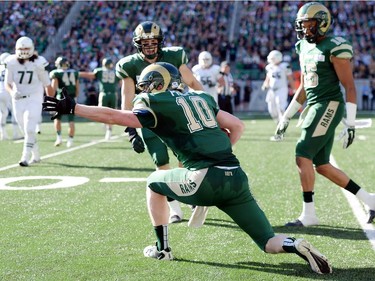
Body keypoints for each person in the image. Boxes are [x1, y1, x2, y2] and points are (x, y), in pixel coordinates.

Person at [43, 62, 332, 274]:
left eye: (147, 84)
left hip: (203, 178)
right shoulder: (202, 97)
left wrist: (75, 108)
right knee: (268, 241)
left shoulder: (157, 101)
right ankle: (295, 244)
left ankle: (162, 249)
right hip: (235, 177)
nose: (144, 90)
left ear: (157, 83)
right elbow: (236, 125)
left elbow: (118, 117)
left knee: (154, 181)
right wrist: (218, 155)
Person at [274, 2, 375, 226]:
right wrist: (286, 115)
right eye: (302, 25)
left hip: (328, 104)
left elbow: (349, 86)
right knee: (322, 166)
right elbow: (304, 87)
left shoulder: (335, 47)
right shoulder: (303, 46)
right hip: (315, 104)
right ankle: (370, 200)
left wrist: (350, 122)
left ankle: (309, 215)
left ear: (322, 23)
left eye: (309, 25)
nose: (304, 30)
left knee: (302, 154)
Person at [115, 21, 204, 224]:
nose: (149, 46)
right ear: (137, 44)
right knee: (162, 164)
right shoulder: (130, 65)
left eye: (153, 41)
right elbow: (127, 98)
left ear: (160, 41)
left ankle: (187, 193)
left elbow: (192, 82)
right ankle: (174, 209)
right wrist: (130, 129)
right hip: (149, 118)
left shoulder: (173, 56)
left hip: (176, 115)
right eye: (144, 42)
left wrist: (206, 103)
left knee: (185, 160)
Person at [4, 36, 54, 166]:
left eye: (26, 48)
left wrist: (51, 103)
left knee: (30, 128)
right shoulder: (11, 62)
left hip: (34, 97)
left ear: (32, 48)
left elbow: (47, 84)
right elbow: (7, 83)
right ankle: (36, 154)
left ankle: (24, 157)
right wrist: (12, 92)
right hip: (18, 99)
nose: (24, 51)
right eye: (21, 48)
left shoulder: (38, 62)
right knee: (26, 130)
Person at [80, 57, 120, 140]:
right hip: (113, 94)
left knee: (102, 111)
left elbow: (91, 76)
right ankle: (109, 129)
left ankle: (106, 126)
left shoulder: (100, 71)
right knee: (111, 113)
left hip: (104, 94)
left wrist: (79, 74)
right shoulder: (116, 72)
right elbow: (121, 83)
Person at [49, 56, 80, 148]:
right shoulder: (74, 72)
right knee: (71, 121)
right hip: (71, 98)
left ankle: (59, 137)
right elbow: (77, 87)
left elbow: (54, 88)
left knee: (57, 119)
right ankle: (70, 140)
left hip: (60, 98)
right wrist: (76, 97)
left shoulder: (56, 73)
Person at [261, 50, 295, 126]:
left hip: (282, 89)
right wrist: (265, 84)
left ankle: (282, 125)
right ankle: (278, 123)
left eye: (273, 58)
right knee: (271, 110)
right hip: (271, 90)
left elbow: (290, 78)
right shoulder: (269, 67)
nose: (271, 60)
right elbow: (268, 78)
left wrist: (294, 89)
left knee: (281, 107)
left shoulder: (285, 66)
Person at [0, 52, 23, 141]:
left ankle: (3, 134)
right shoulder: (11, 67)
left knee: (3, 113)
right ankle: (15, 133)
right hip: (8, 92)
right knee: (14, 112)